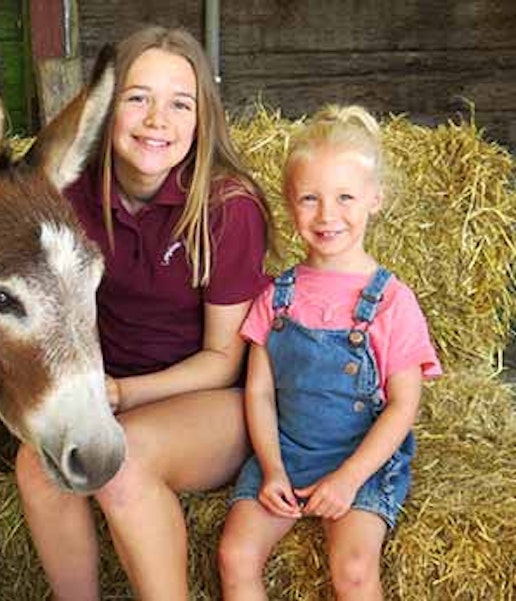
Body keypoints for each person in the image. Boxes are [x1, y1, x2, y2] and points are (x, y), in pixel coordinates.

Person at [0, 26, 272, 599]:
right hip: (104, 395)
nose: (158, 120)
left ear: (203, 117)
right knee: (36, 470)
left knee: (123, 468)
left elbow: (223, 360)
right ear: (106, 111)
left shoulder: (228, 208)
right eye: (138, 98)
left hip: (210, 402)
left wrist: (125, 394)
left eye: (181, 103)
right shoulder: (67, 190)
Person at [217, 105, 442, 600]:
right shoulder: (276, 295)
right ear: (290, 204)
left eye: (345, 197)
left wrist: (348, 479)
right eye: (310, 199)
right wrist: (272, 468)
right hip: (288, 452)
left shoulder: (390, 301)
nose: (327, 216)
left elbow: (404, 404)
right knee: (236, 554)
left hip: (360, 458)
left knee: (355, 568)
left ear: (375, 200)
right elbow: (259, 393)